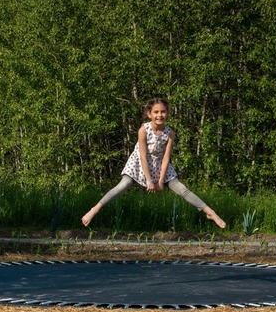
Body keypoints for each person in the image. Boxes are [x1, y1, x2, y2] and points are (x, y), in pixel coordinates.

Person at [81, 98, 226, 229]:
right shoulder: (143, 130)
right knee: (123, 185)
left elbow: (166, 158)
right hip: (139, 163)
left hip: (159, 164)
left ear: (167, 113)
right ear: (149, 114)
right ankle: (95, 209)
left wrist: (161, 181)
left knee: (182, 189)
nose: (159, 115)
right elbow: (143, 156)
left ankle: (210, 212)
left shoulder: (170, 134)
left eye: (163, 112)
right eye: (156, 112)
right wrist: (149, 180)